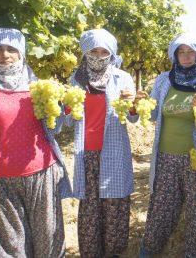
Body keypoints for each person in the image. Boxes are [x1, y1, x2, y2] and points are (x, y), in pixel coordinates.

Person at [0, 28, 72, 257]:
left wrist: (64, 107)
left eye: (12, 48)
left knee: (49, 241)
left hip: (42, 176)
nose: (5, 54)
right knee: (8, 246)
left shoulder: (39, 87)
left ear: (21, 53)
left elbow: (53, 127)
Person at [139, 33, 196, 257]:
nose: (186, 57)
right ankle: (148, 250)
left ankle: (193, 253)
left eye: (191, 52)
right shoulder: (164, 79)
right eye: (182, 52)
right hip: (166, 157)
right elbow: (152, 113)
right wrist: (140, 103)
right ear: (175, 55)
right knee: (161, 207)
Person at [67, 28, 136, 258]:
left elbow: (134, 117)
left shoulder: (123, 78)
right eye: (93, 50)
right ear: (85, 52)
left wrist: (133, 104)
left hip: (114, 151)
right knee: (90, 208)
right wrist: (63, 105)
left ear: (111, 52)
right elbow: (67, 119)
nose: (98, 55)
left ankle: (114, 253)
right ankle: (91, 253)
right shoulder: (75, 80)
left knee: (115, 205)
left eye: (103, 51)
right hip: (86, 154)